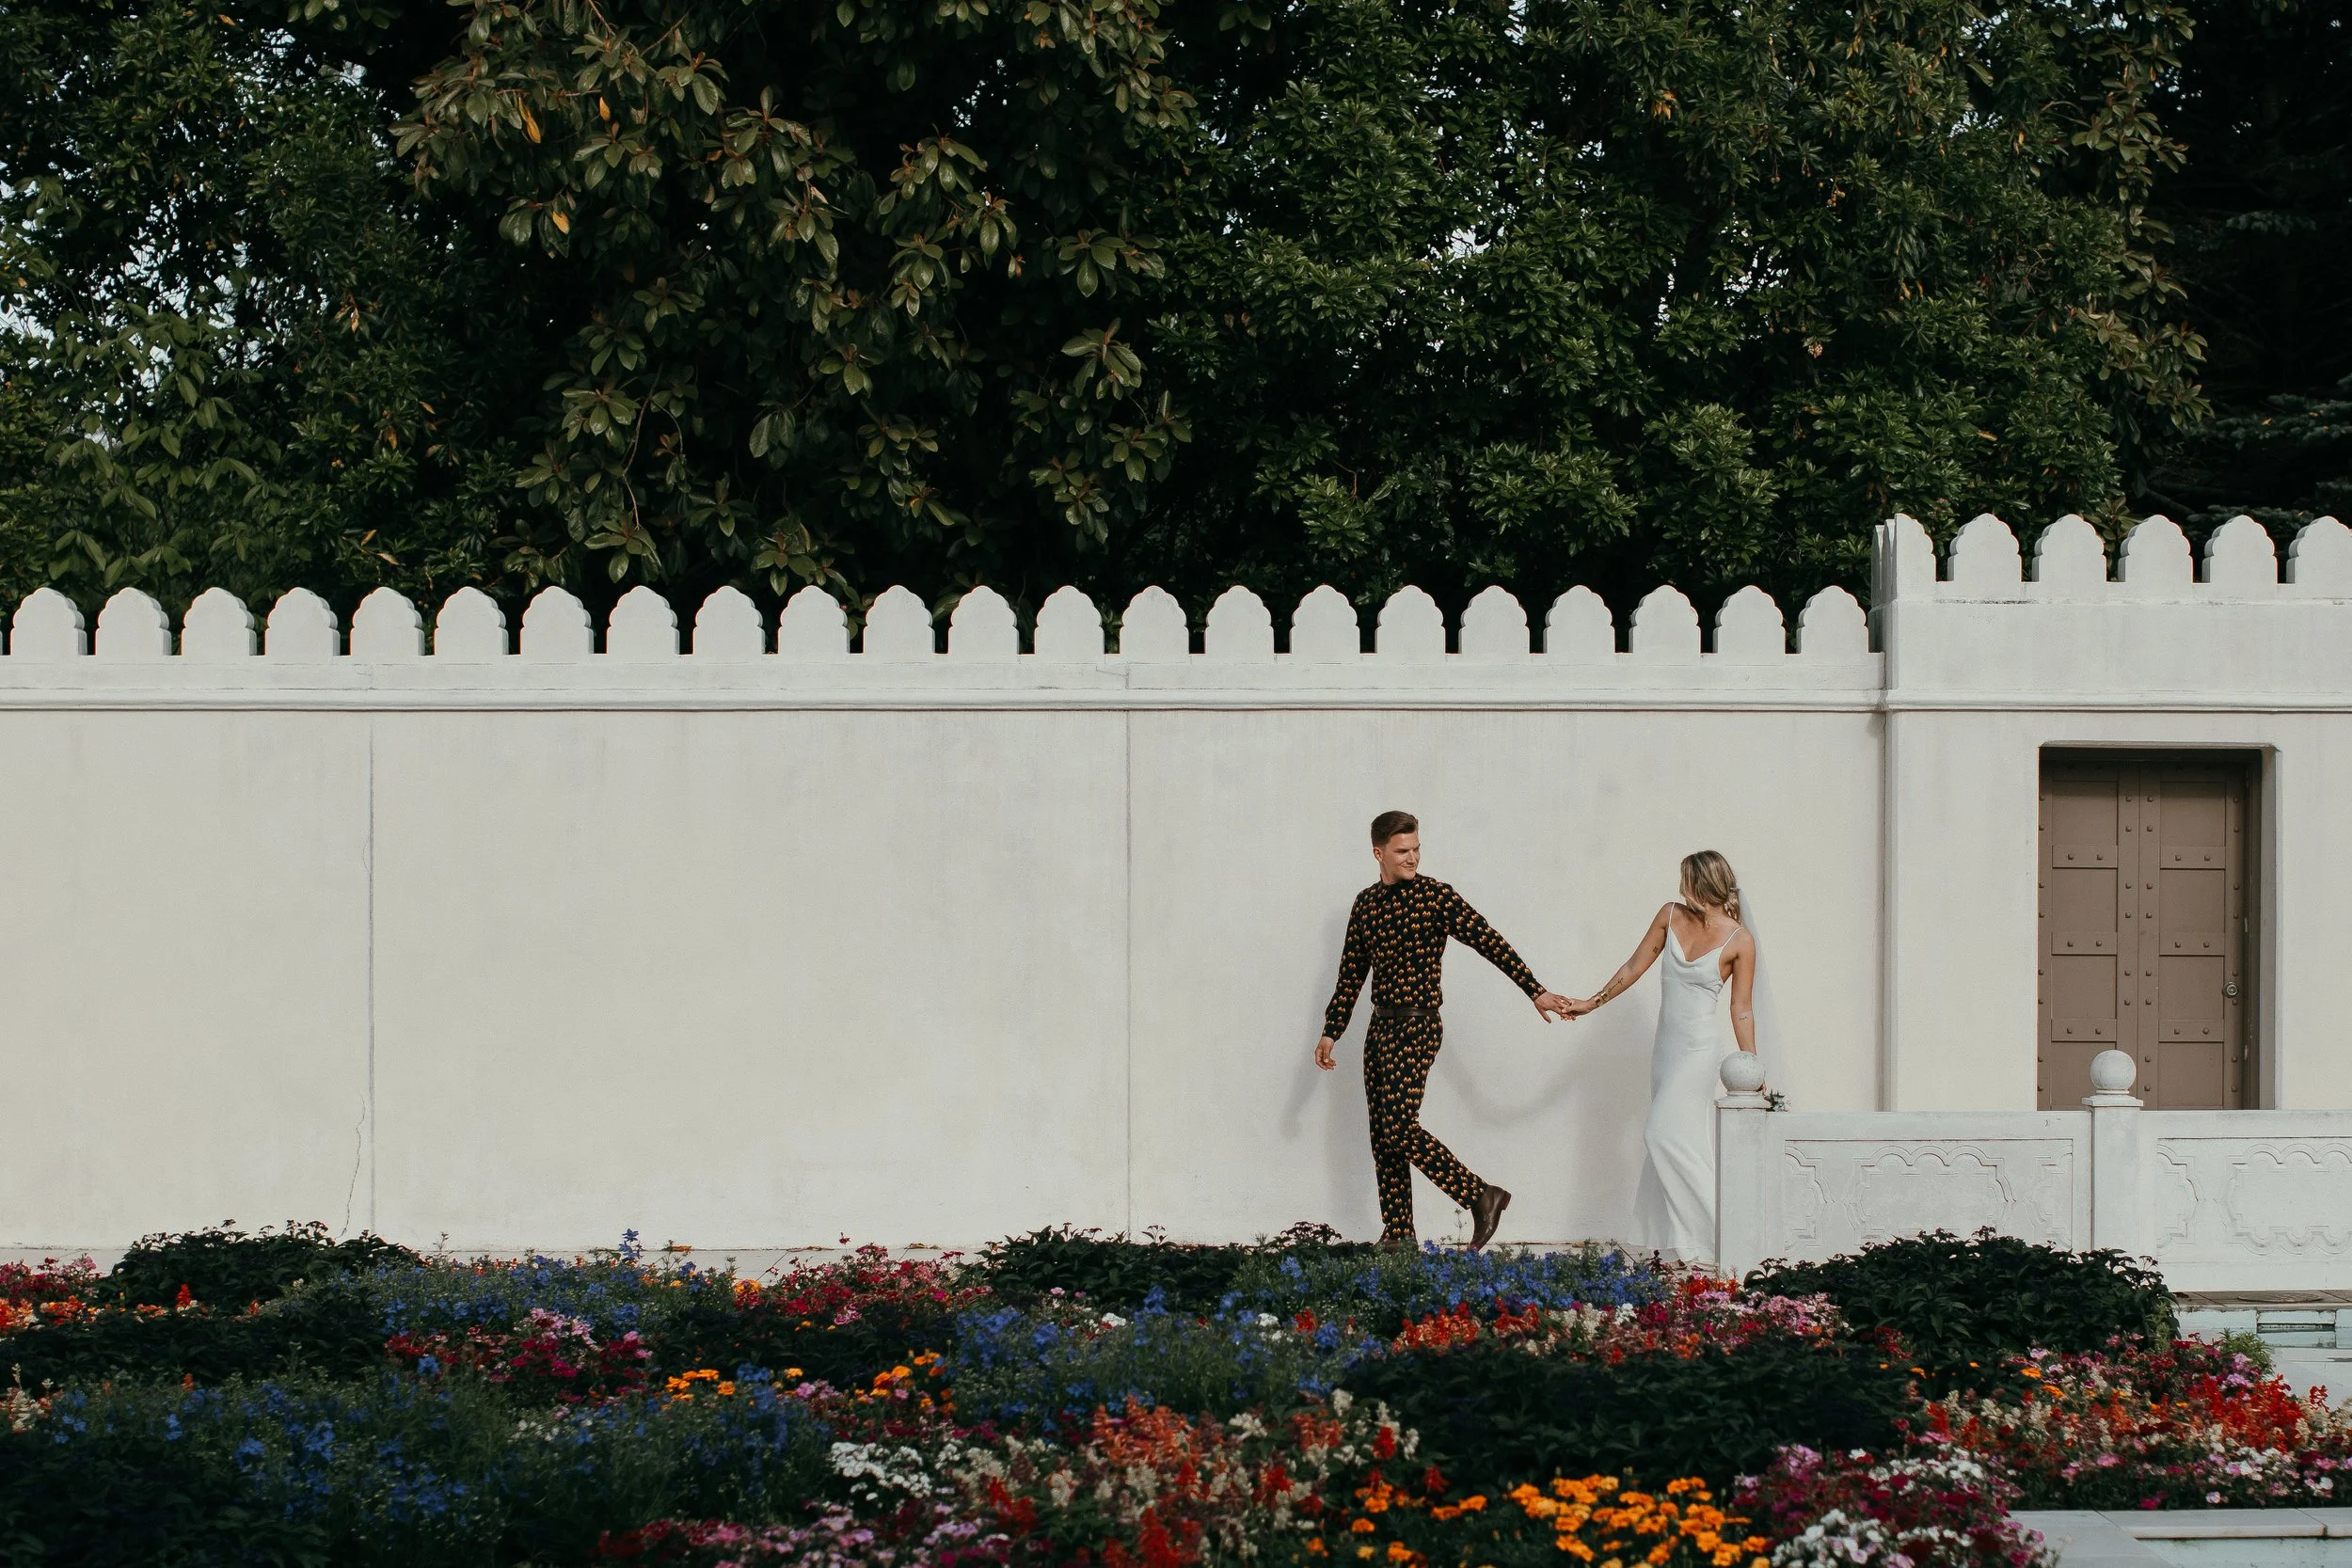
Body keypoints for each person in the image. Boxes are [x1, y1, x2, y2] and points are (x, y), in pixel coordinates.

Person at [1317, 811, 1578, 1249]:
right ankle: (1399, 1233)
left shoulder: (1436, 896)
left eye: (1416, 848)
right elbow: (1351, 974)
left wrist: (1535, 990)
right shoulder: (1366, 904)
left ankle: (1480, 1196)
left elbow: (1488, 940)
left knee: (1401, 1128)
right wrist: (1331, 1030)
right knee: (1384, 1136)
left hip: (1417, 1025)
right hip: (1380, 1027)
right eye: (1402, 851)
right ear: (1378, 853)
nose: (1412, 857)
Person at [1562, 850, 1757, 1265]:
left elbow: (1741, 1008)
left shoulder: (1740, 940)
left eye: (1686, 879)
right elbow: (1634, 966)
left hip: (1699, 1053)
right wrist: (1591, 1003)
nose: (1680, 887)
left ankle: (1725, 1238)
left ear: (1701, 883)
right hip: (1666, 1051)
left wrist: (1750, 1067)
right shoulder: (1670, 915)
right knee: (1683, 1142)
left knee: (1660, 1133)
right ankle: (1684, 1245)